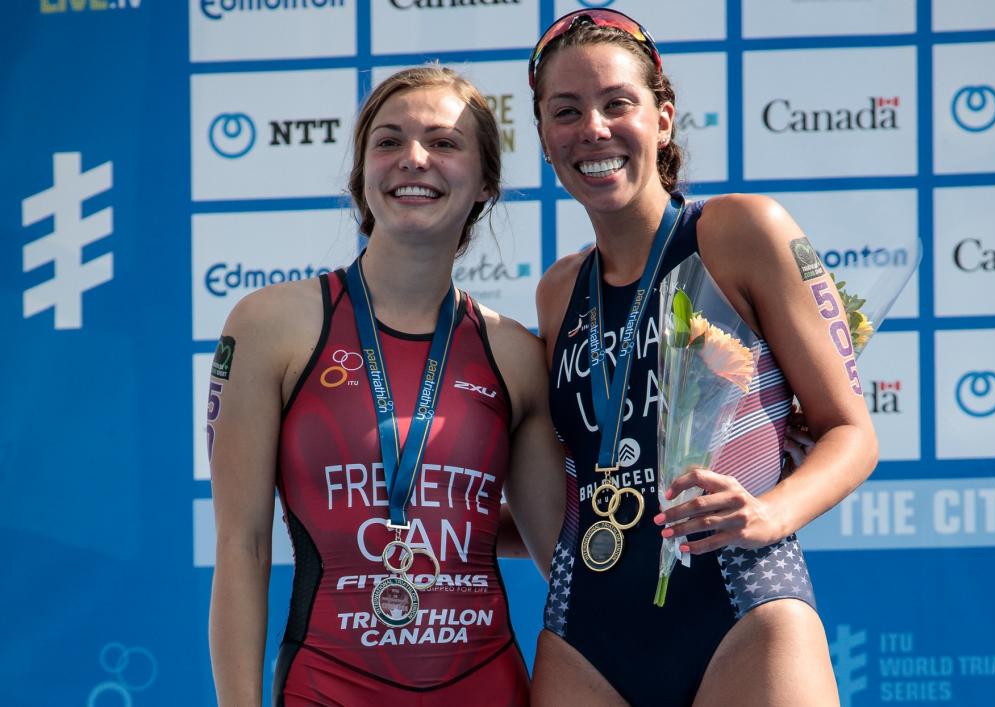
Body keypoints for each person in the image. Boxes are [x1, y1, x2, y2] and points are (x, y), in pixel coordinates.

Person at [528, 9, 879, 706]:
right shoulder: (557, 291)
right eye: (565, 111)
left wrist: (771, 513)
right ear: (543, 136)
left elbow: (851, 432)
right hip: (586, 633)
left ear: (662, 119)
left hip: (741, 607)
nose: (592, 129)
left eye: (616, 103)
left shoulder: (740, 231)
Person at [208, 66, 563, 706]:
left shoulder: (515, 353)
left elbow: (564, 559)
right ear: (362, 173)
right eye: (389, 141)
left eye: (444, 142)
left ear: (486, 182)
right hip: (328, 689)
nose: (414, 159)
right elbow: (243, 545)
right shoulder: (269, 327)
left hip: (487, 689)